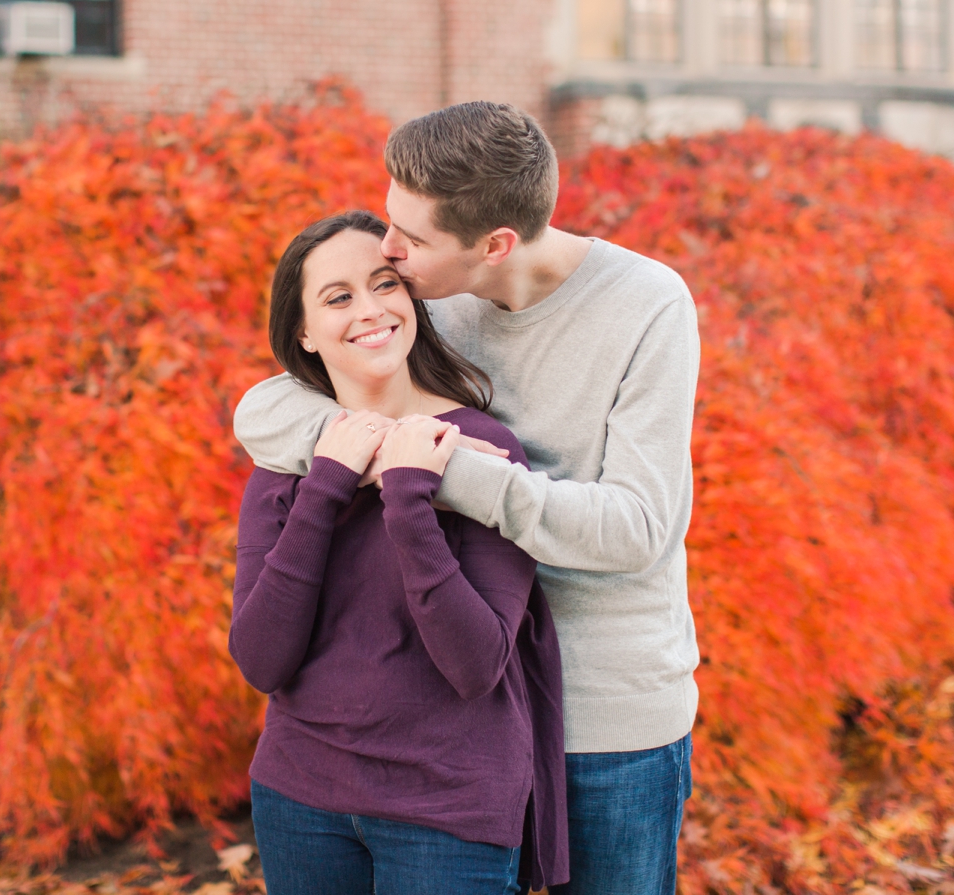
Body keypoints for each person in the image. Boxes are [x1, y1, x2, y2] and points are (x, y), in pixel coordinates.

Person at [235, 102, 700, 895]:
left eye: (407, 240)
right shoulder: (426, 292)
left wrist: (459, 472)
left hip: (600, 714)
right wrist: (385, 449)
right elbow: (266, 408)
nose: (389, 252)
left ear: (495, 247)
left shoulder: (646, 305)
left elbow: (637, 527)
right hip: (457, 715)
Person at [229, 210, 568, 895]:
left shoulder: (481, 451)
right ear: (302, 331)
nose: (371, 309)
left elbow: (475, 665)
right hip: (301, 798)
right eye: (338, 296)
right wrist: (327, 483)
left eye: (386, 283)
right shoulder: (289, 459)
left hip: (448, 809)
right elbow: (262, 658)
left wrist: (410, 498)